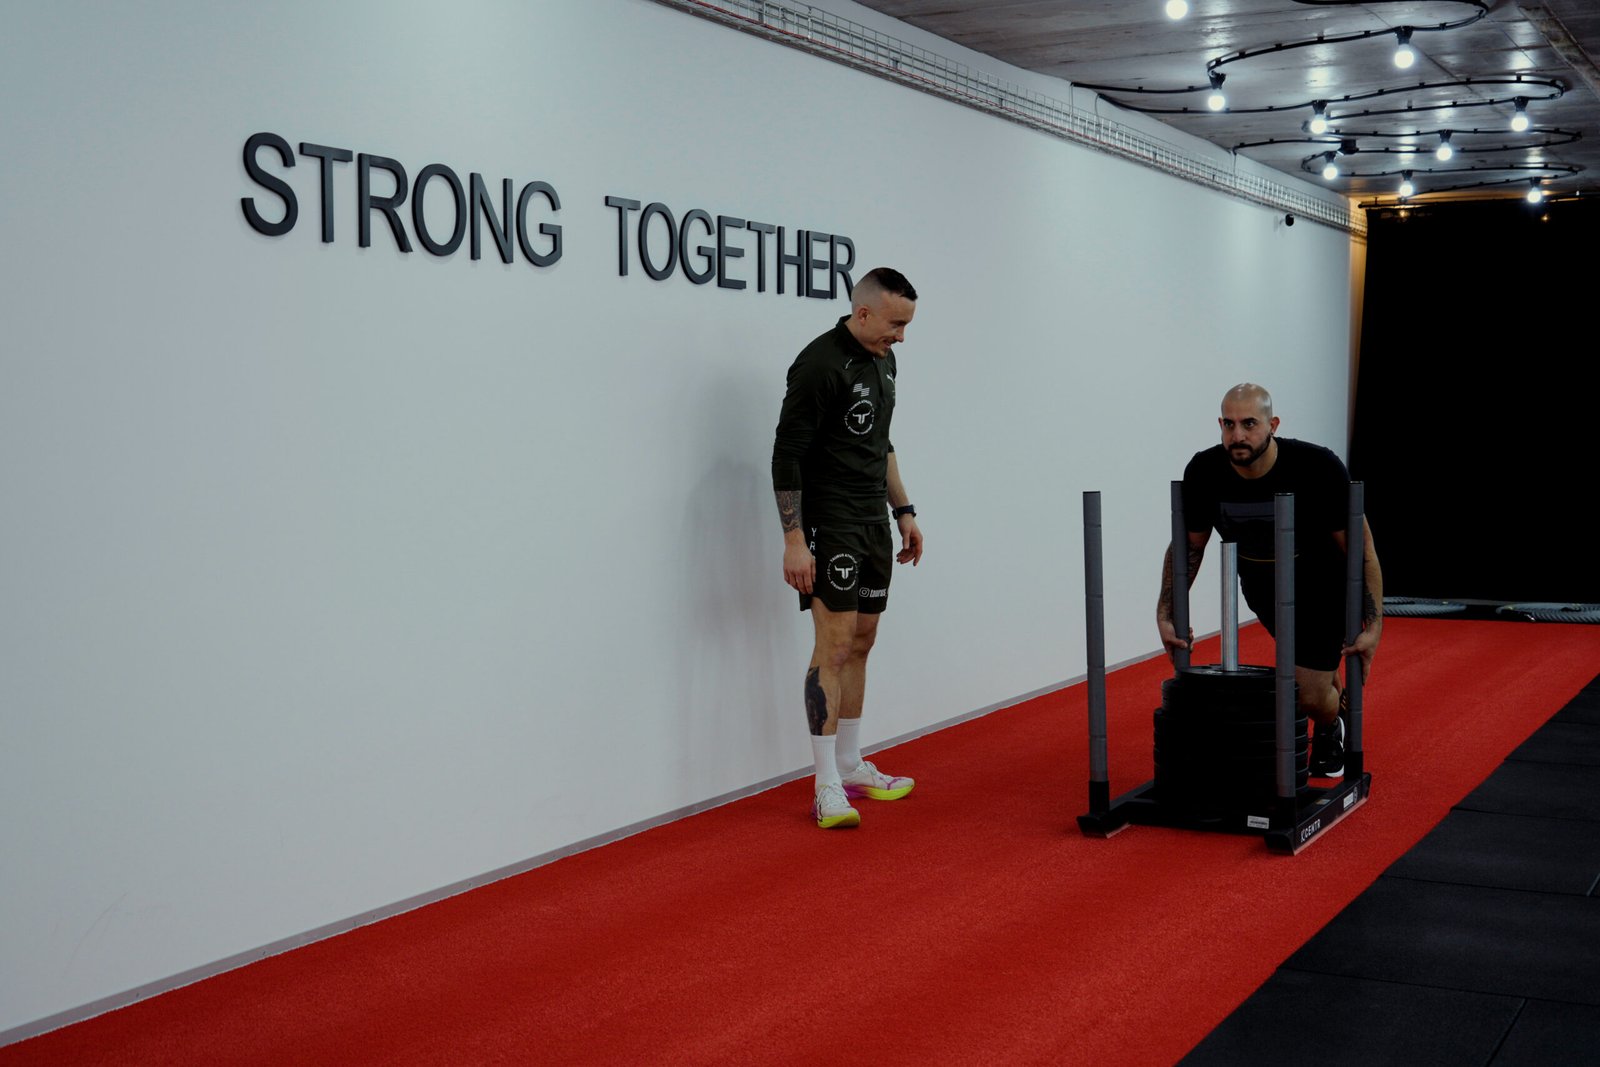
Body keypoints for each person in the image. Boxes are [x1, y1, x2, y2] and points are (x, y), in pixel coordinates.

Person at [1156, 383, 1382, 778]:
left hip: (1321, 585)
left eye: (1249, 424)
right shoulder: (1204, 471)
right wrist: (1167, 612)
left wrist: (1374, 624)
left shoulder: (1317, 467)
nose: (1237, 435)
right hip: (1260, 584)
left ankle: (1331, 723)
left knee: (1306, 695)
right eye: (1228, 424)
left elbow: (1361, 550)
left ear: (1273, 425)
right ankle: (1327, 691)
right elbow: (1189, 547)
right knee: (1310, 669)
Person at [771, 267, 925, 829]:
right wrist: (794, 541)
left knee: (862, 641)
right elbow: (786, 455)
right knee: (833, 647)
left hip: (871, 521)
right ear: (862, 313)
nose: (900, 337)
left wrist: (903, 510)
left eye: (906, 327)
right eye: (895, 325)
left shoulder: (884, 360)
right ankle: (825, 786)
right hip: (829, 522)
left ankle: (850, 763)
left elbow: (881, 442)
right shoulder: (819, 364)